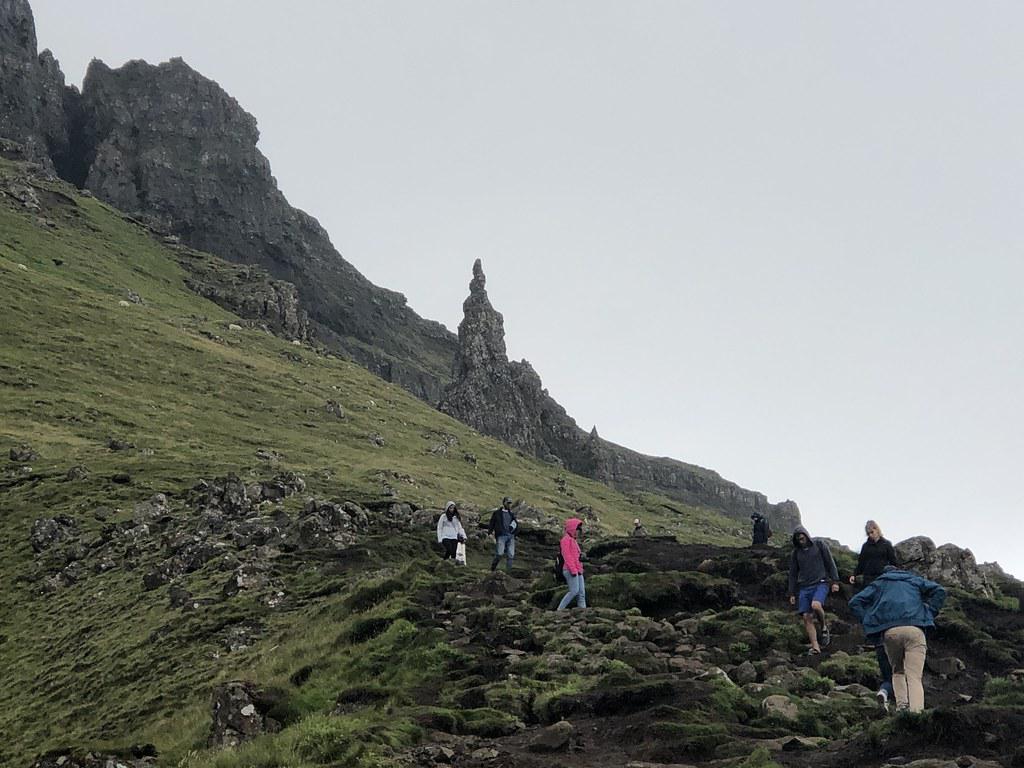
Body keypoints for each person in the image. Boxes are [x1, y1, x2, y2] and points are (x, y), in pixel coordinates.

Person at [849, 566, 947, 713]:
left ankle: (902, 707)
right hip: (915, 629)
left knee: (897, 671)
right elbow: (940, 591)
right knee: (914, 676)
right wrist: (929, 612)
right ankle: (916, 713)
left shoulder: (880, 583)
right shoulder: (912, 579)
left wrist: (869, 619)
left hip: (890, 631)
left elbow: (854, 602)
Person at [848, 519, 900, 708]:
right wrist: (855, 574)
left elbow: (893, 562)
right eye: (868, 532)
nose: (871, 534)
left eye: (873, 531)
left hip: (883, 578)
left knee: (880, 604)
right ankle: (871, 627)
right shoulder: (865, 546)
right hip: (869, 580)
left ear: (878, 530)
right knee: (869, 603)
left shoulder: (886, 545)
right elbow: (861, 562)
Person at [787, 525, 840, 655]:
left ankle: (824, 627)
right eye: (798, 537)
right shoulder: (796, 553)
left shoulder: (819, 545)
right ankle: (815, 647)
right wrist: (792, 593)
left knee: (816, 605)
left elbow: (830, 562)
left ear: (806, 535)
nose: (801, 538)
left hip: (820, 583)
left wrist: (835, 581)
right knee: (806, 616)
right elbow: (793, 573)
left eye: (802, 535)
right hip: (804, 587)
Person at [557, 517, 586, 610]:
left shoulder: (573, 540)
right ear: (572, 529)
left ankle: (583, 611)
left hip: (577, 570)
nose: (579, 532)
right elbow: (567, 556)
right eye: (577, 529)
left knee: (581, 593)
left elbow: (577, 557)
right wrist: (573, 570)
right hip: (569, 570)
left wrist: (579, 569)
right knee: (574, 591)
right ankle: (559, 610)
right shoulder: (565, 540)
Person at [487, 495, 518, 572]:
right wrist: (490, 532)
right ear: (504, 503)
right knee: (499, 554)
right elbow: (492, 523)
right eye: (508, 503)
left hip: (511, 536)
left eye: (510, 503)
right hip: (501, 536)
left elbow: (516, 523)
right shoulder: (497, 513)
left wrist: (514, 529)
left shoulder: (512, 514)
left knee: (511, 555)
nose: (509, 505)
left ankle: (508, 572)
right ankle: (493, 568)